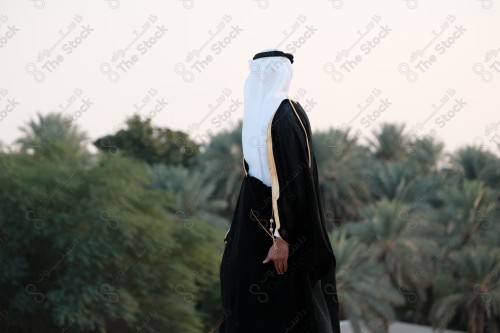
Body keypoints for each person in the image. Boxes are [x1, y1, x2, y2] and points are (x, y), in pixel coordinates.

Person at [218, 48, 341, 333]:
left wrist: (283, 238)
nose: (260, 79)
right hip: (255, 223)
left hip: (280, 233)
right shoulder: (259, 114)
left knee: (284, 304)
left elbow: (294, 183)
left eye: (267, 73)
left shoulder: (285, 116)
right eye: (256, 73)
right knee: (241, 290)